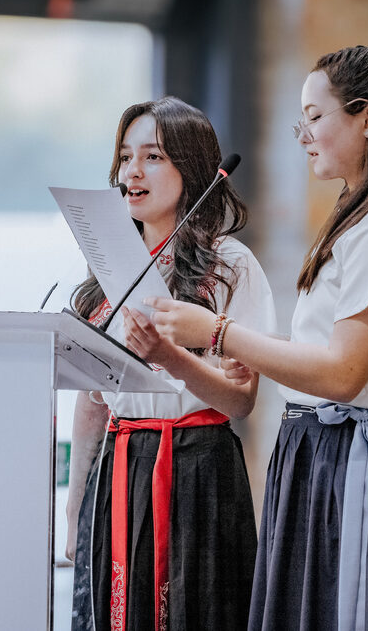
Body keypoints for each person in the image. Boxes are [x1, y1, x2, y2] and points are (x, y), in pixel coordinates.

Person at [142, 46, 368, 630]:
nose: (303, 135)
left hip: (367, 458)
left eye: (314, 117)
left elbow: (344, 374)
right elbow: (326, 353)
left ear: (367, 117)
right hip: (326, 453)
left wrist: (218, 332)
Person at [66, 96, 277, 631]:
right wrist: (74, 508)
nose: (132, 170)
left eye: (153, 156)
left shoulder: (230, 264)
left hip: (197, 468)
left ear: (195, 168)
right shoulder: (107, 266)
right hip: (118, 464)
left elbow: (240, 401)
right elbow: (93, 402)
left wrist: (169, 357)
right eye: (125, 156)